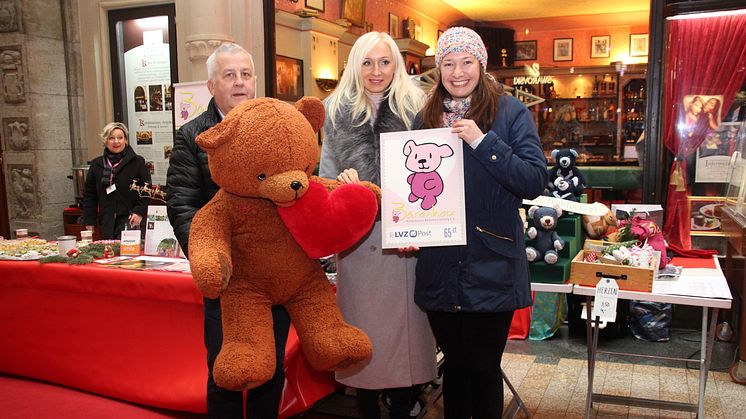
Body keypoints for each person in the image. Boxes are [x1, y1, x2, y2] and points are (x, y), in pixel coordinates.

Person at [413, 27, 547, 418]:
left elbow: (533, 179)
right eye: (448, 63)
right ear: (438, 69)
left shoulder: (510, 112)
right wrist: (407, 226)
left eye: (466, 62)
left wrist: (483, 142)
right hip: (440, 262)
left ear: (481, 64)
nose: (457, 72)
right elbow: (413, 184)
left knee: (484, 368)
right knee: (454, 367)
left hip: (493, 263)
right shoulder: (425, 116)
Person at [165, 42, 290, 419]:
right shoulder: (192, 136)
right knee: (225, 374)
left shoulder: (278, 125)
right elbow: (181, 205)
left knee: (271, 371)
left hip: (273, 276)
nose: (239, 83)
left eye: (246, 74)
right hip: (227, 280)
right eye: (229, 75)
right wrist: (211, 261)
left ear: (255, 81)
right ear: (211, 85)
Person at [319, 31, 437, 419]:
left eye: (384, 62)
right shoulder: (334, 110)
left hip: (405, 244)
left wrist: (420, 227)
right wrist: (343, 190)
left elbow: (433, 172)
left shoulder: (416, 107)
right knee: (363, 340)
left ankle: (403, 410)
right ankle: (368, 410)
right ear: (355, 64)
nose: (375, 71)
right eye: (367, 62)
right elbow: (325, 179)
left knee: (404, 343)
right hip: (358, 246)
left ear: (396, 65)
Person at [81, 122, 150, 240]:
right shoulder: (96, 164)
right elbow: (90, 195)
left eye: (120, 138)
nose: (116, 142)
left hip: (130, 220)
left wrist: (139, 212)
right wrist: (89, 221)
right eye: (111, 138)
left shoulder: (137, 162)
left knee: (129, 257)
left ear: (126, 140)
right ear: (105, 141)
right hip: (107, 222)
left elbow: (146, 189)